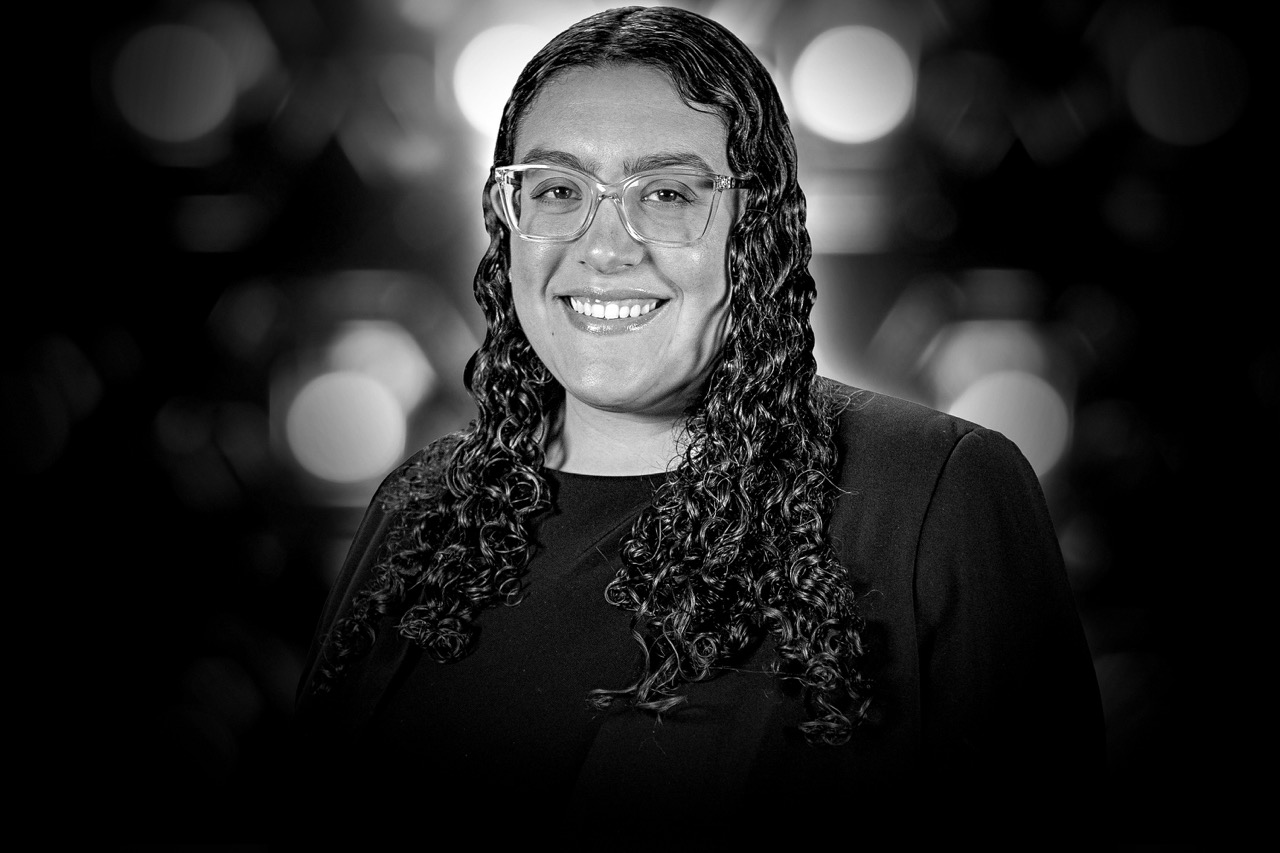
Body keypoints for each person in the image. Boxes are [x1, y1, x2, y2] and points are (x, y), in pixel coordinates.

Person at [293, 5, 1105, 843]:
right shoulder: (419, 509)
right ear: (508, 221)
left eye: (667, 194)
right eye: (560, 190)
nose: (604, 248)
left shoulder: (936, 493)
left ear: (758, 227)